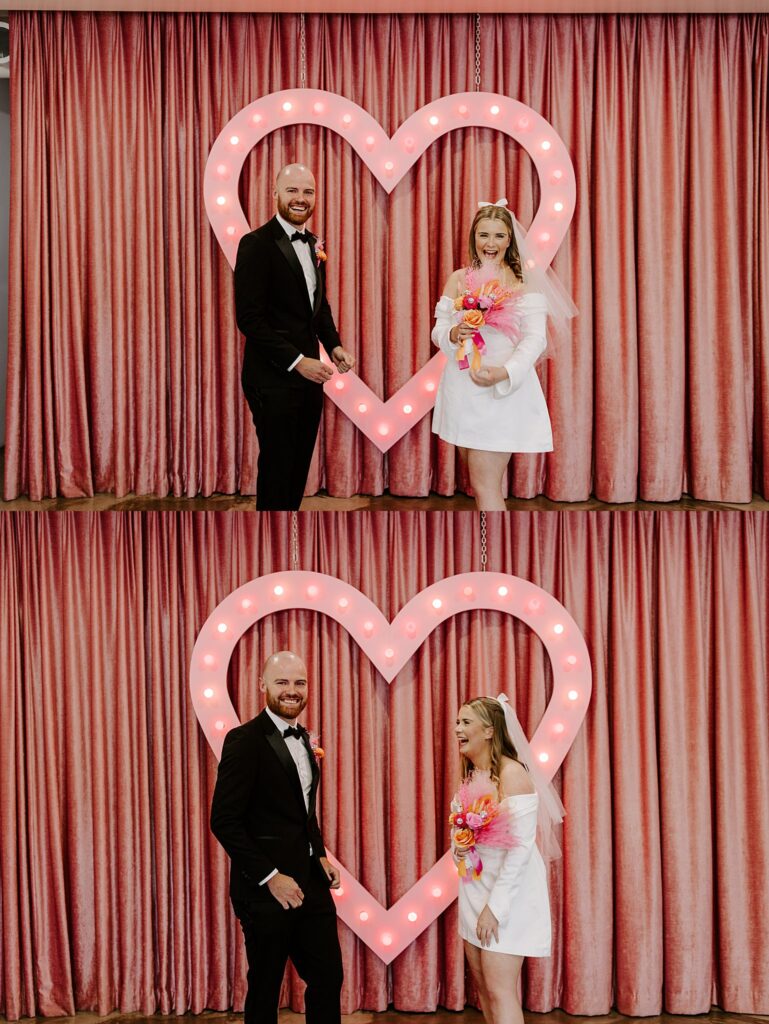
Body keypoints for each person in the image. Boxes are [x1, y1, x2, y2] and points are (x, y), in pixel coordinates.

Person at [210, 650, 343, 1024]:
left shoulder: (304, 738)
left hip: (311, 884)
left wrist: (319, 854)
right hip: (264, 890)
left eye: (299, 682)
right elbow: (224, 820)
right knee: (266, 988)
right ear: (262, 686)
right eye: (282, 682)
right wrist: (271, 877)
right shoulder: (244, 740)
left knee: (328, 978)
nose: (292, 690)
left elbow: (304, 812)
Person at [233, 164, 355, 510]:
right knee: (276, 470)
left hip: (310, 378)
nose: (301, 199)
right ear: (275, 194)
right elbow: (250, 319)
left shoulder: (315, 244)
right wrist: (298, 362)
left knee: (298, 467)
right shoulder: (255, 244)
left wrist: (334, 345)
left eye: (308, 192)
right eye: (292, 191)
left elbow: (318, 305)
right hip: (272, 377)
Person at [432, 201, 561, 510]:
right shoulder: (458, 279)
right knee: (479, 486)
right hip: (462, 391)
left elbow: (535, 339)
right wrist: (452, 334)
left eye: (499, 236)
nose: (490, 244)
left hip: (500, 393)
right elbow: (439, 331)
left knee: (486, 487)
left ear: (510, 240)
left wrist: (504, 372)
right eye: (483, 235)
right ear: (473, 238)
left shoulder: (523, 281)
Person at [453, 696, 562, 1024]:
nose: (458, 729)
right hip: (475, 889)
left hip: (507, 898)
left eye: (465, 722)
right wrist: (459, 847)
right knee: (485, 988)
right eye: (457, 722)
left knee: (501, 990)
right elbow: (463, 826)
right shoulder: (474, 774)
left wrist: (494, 909)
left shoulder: (514, 775)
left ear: (489, 731)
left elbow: (520, 851)